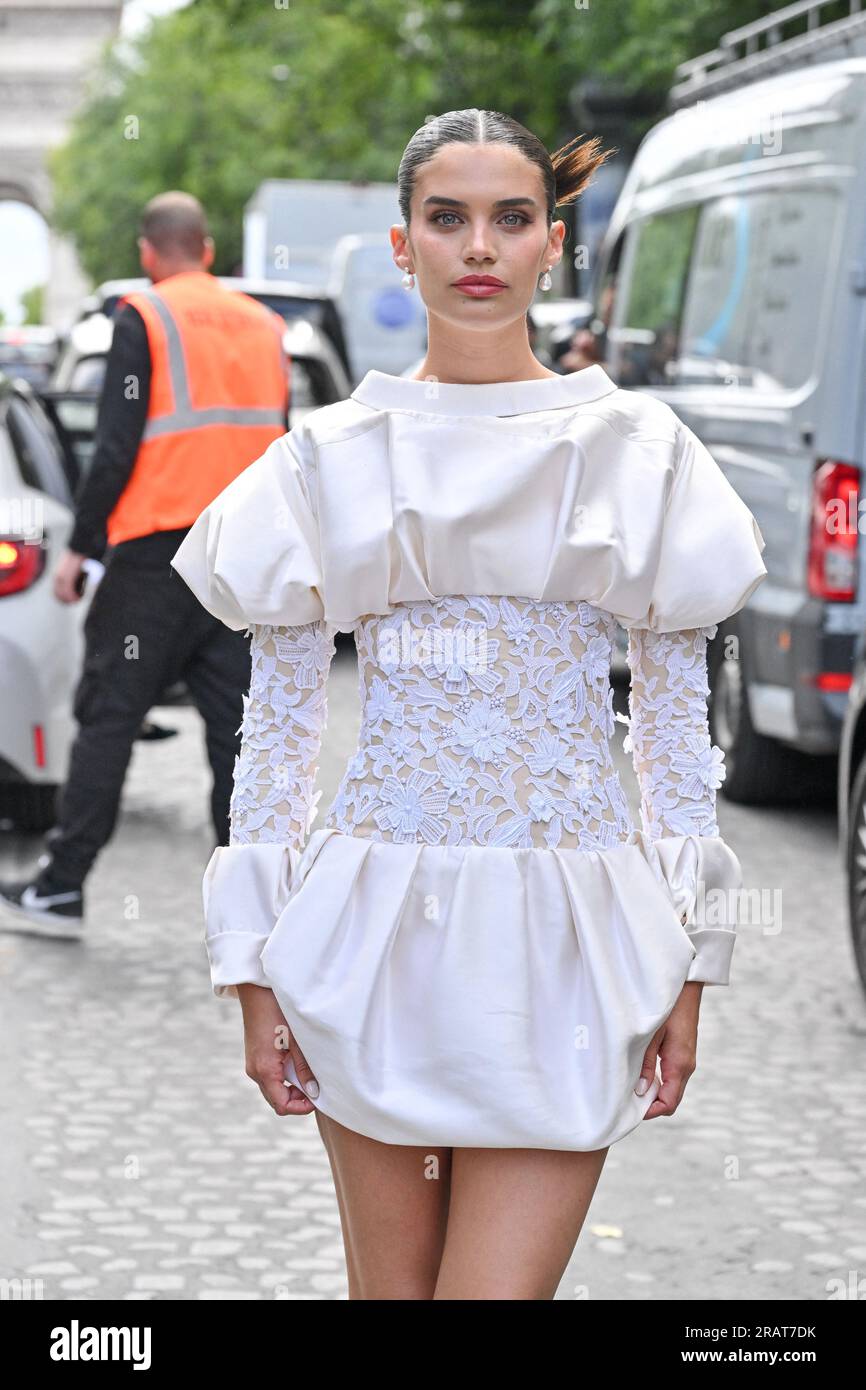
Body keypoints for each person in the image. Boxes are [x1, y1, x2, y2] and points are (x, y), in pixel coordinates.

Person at [169, 111, 767, 1300]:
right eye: (446, 219)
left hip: (571, 945)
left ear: (553, 243)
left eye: (509, 219)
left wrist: (692, 970)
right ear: (403, 245)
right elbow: (276, 748)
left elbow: (671, 740)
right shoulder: (329, 460)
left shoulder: (636, 451)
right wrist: (252, 978)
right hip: (370, 938)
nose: (477, 247)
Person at [0, 191, 289, 936]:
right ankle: (252, 907)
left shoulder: (146, 317)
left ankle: (62, 889)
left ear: (147, 254)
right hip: (244, 558)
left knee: (109, 716)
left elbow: (118, 445)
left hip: (159, 557)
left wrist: (82, 549)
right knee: (239, 730)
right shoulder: (265, 325)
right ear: (210, 249)